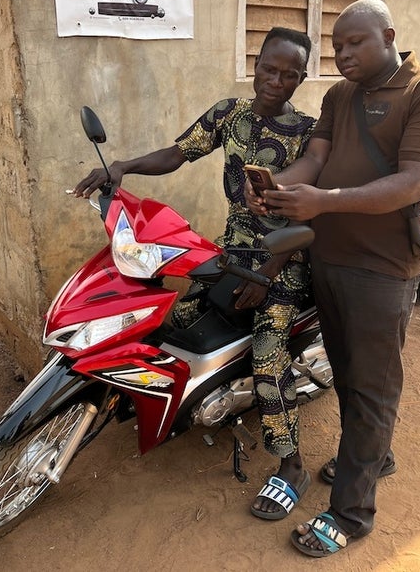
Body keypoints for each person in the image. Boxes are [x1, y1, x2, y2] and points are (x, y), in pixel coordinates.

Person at [246, 0, 420, 557]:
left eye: (355, 43)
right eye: (337, 45)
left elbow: (412, 181)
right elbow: (316, 161)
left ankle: (351, 512)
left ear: (388, 36)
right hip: (329, 259)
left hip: (383, 269)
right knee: (344, 373)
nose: (342, 54)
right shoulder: (339, 96)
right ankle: (377, 456)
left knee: (372, 387)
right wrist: (277, 187)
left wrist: (323, 201)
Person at [74, 27, 317, 520]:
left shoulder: (308, 135)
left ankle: (291, 465)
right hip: (232, 253)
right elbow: (178, 153)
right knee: (175, 320)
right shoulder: (229, 114)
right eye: (269, 69)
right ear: (255, 64)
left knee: (268, 355)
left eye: (289, 74)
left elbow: (312, 215)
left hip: (284, 262)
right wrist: (122, 166)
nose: (276, 81)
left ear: (301, 78)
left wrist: (268, 272)